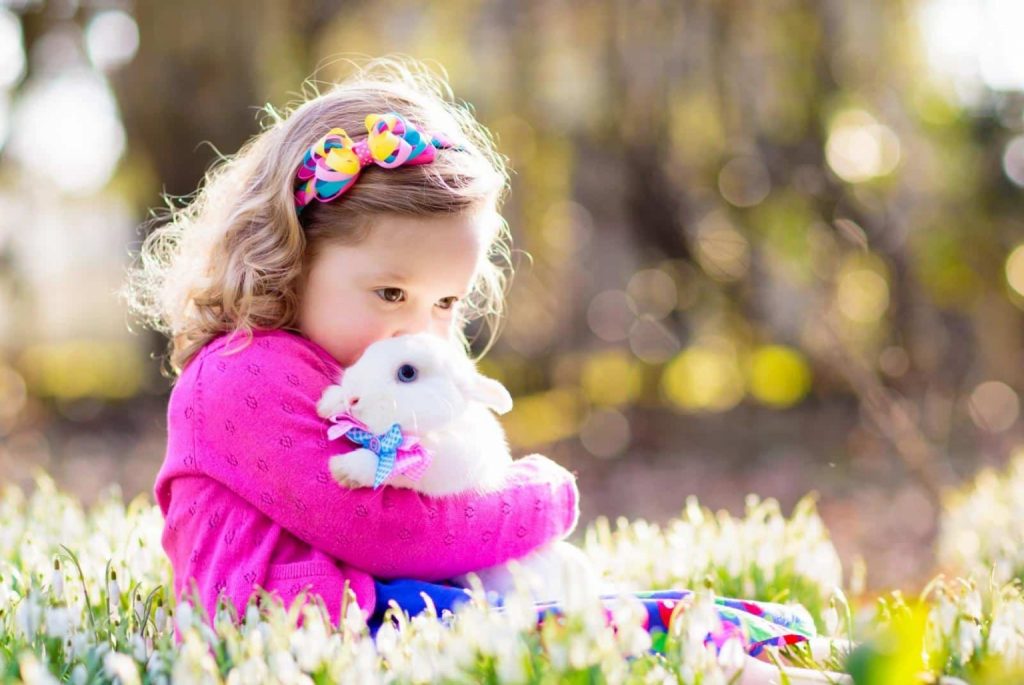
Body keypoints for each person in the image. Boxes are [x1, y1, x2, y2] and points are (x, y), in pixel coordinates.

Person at [127, 56, 846, 684]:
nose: (419, 326)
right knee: (610, 642)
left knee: (641, 617)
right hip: (306, 634)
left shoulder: (368, 370)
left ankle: (807, 655)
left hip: (377, 612)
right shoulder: (240, 375)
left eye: (446, 301)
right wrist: (540, 500)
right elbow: (382, 529)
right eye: (390, 293)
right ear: (289, 251)